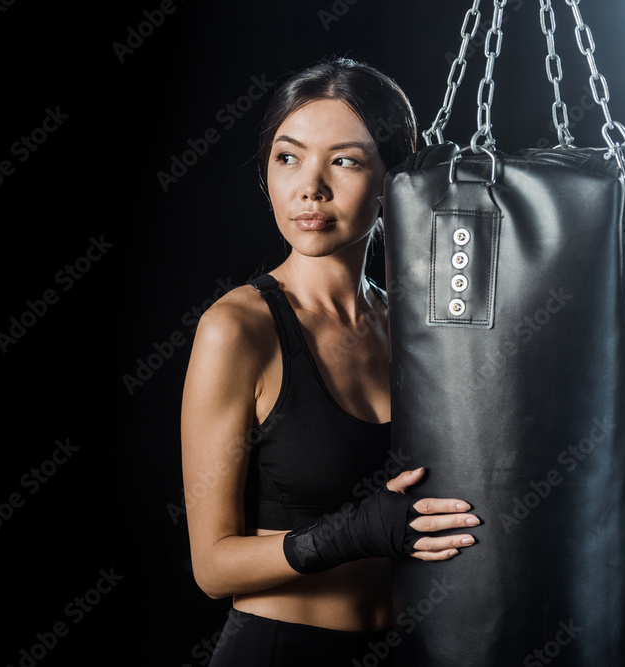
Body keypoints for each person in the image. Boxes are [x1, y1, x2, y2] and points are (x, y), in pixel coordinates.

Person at [180, 57, 480, 666]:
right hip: (278, 651)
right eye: (287, 157)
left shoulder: (415, 326)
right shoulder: (237, 329)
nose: (309, 187)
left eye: (344, 160)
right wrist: (358, 532)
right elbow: (212, 567)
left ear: (393, 179)